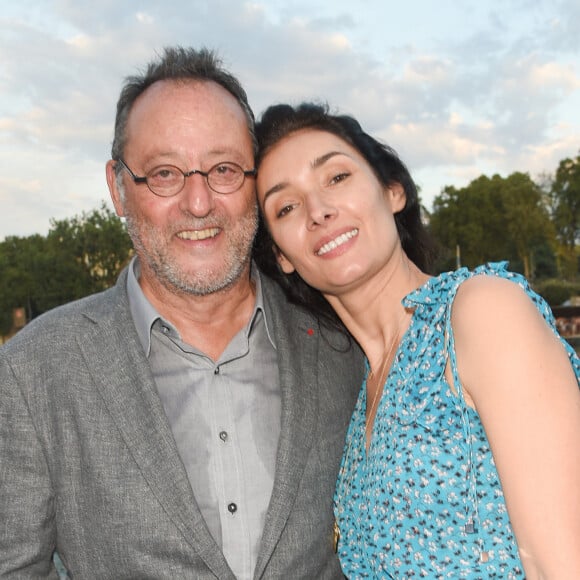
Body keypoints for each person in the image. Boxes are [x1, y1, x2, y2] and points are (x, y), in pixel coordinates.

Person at [0, 50, 364, 579]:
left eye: (222, 170)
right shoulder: (33, 369)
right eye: (165, 174)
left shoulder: (339, 345)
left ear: (255, 182)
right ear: (118, 188)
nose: (199, 203)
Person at [253, 102, 580, 578]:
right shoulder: (358, 395)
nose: (318, 211)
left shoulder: (480, 312)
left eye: (337, 178)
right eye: (286, 207)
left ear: (392, 191)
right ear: (282, 256)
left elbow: (565, 562)